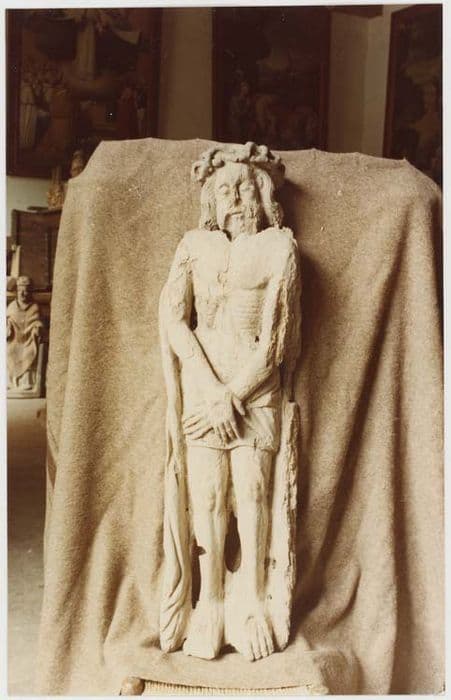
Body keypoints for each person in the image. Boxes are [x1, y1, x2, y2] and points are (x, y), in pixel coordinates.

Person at [159, 142, 301, 662]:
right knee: (209, 500)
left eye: (245, 188)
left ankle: (253, 602)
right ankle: (212, 601)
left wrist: (234, 395)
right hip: (204, 392)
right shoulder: (194, 246)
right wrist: (212, 391)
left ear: (263, 196)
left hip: (255, 394)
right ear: (211, 203)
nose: (236, 200)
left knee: (254, 496)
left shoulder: (279, 249)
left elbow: (276, 341)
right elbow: (175, 320)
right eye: (225, 191)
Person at [7, 277, 43, 391]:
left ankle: (26, 381)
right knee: (8, 352)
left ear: (30, 292)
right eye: (20, 291)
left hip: (28, 340)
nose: (23, 294)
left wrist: (37, 327)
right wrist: (8, 326)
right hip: (14, 340)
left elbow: (38, 321)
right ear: (17, 291)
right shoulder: (12, 306)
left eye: (26, 291)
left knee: (29, 353)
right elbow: (8, 320)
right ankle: (10, 381)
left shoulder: (34, 307)